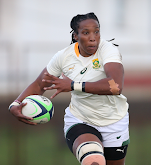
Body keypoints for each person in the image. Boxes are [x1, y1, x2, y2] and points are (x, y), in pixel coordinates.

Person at [8, 12, 130, 165]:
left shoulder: (108, 50)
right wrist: (15, 104)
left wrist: (73, 85)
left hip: (115, 122)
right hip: (81, 119)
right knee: (94, 161)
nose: (92, 37)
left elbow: (115, 86)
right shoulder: (64, 57)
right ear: (75, 36)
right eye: (86, 33)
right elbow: (40, 84)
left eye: (96, 31)